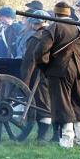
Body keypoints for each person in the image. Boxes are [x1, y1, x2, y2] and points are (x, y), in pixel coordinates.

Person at [30, 2, 80, 148]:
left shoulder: (54, 27)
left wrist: (45, 67)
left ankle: (67, 140)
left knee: (62, 104)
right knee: (78, 103)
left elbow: (40, 51)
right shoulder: (78, 29)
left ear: (56, 14)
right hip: (79, 71)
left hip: (59, 71)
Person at [20, 10, 52, 142]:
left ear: (35, 24)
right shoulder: (51, 36)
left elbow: (29, 62)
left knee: (41, 105)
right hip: (49, 75)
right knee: (45, 103)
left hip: (37, 76)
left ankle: (42, 136)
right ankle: (44, 135)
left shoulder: (36, 38)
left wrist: (24, 83)